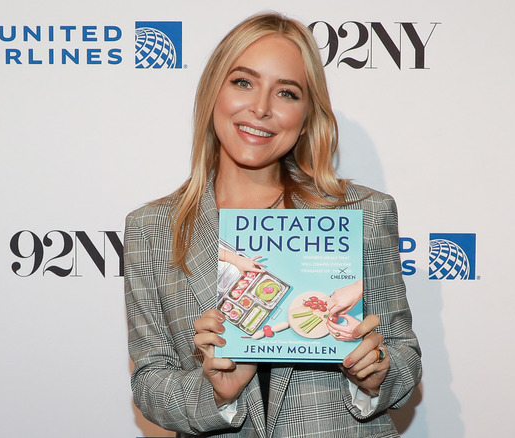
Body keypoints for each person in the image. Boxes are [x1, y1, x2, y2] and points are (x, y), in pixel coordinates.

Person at [124, 12, 421, 437]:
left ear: (305, 119)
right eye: (243, 82)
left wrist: (375, 375)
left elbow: (403, 355)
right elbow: (151, 382)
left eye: (286, 93)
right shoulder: (151, 229)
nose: (261, 108)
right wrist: (216, 393)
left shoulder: (363, 214)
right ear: (214, 93)